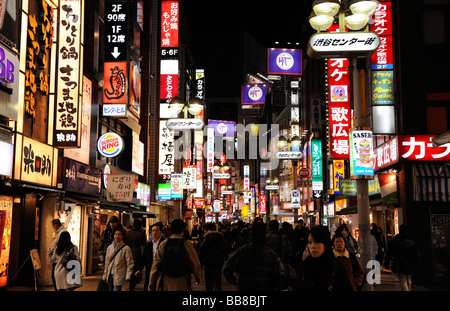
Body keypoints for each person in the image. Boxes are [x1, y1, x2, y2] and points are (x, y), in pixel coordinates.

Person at [223, 221, 286, 291]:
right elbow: (281, 273)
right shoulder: (271, 254)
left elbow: (227, 268)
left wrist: (234, 282)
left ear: (251, 233)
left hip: (245, 287)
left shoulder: (243, 250)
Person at [296, 225, 353, 291]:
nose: (312, 246)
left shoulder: (337, 268)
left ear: (325, 243)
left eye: (317, 242)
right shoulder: (305, 266)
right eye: (310, 242)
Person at [149, 219, 201, 291]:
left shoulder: (163, 244)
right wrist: (197, 278)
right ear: (183, 230)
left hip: (166, 280)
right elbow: (195, 263)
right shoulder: (187, 244)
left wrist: (151, 283)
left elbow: (155, 265)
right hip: (183, 280)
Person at [383, 224, 420, 291]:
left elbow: (390, 253)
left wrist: (387, 263)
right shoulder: (411, 241)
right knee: (409, 279)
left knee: (403, 280)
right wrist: (416, 261)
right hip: (410, 263)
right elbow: (416, 253)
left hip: (400, 264)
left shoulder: (395, 241)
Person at [198, 222, 229, 291]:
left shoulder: (206, 237)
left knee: (209, 281)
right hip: (218, 261)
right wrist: (225, 258)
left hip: (208, 262)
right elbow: (225, 248)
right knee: (217, 280)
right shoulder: (221, 237)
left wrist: (202, 260)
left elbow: (201, 249)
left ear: (207, 229)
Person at [102, 227, 134, 291]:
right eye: (116, 234)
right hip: (109, 274)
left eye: (119, 234)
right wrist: (105, 275)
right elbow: (107, 263)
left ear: (122, 236)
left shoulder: (126, 248)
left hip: (119, 275)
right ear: (114, 235)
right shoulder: (110, 247)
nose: (117, 236)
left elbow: (130, 263)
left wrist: (128, 275)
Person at [136, 222, 166, 291]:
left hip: (160, 270)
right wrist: (139, 269)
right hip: (150, 270)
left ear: (161, 232)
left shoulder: (164, 244)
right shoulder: (148, 245)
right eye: (153, 231)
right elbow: (143, 258)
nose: (154, 233)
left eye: (157, 230)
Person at [126, 219, 146, 291]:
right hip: (137, 251)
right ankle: (134, 282)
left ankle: (131, 283)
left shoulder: (129, 233)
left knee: (130, 267)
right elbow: (143, 243)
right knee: (136, 268)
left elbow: (126, 242)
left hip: (129, 251)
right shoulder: (141, 234)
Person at [49, 219, 68, 291]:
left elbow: (51, 259)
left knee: (58, 282)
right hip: (59, 260)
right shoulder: (59, 232)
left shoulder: (62, 233)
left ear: (56, 225)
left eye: (52, 226)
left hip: (58, 261)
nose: (52, 227)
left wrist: (52, 251)